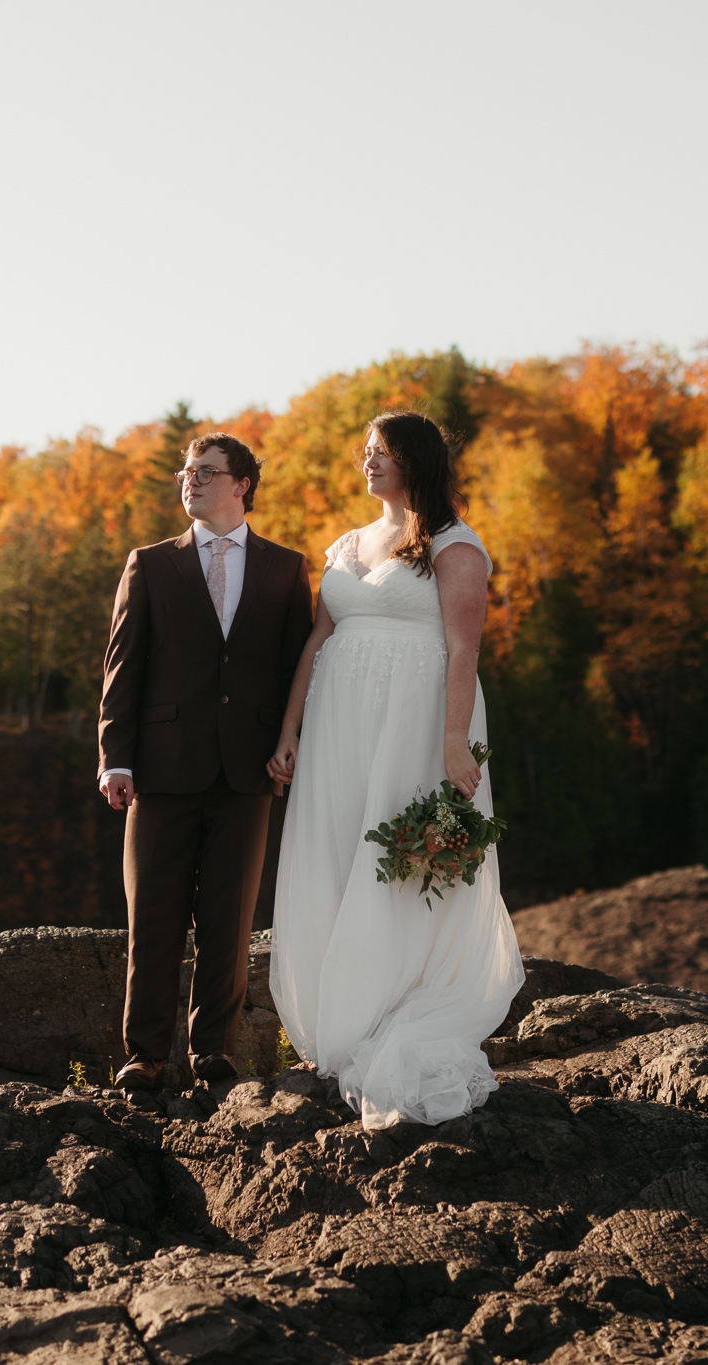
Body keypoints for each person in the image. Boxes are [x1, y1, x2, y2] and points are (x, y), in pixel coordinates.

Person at [266, 410, 525, 1129]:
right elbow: (318, 641)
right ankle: (340, 1014)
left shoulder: (455, 545)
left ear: (416, 460)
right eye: (366, 452)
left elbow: (464, 653)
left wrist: (452, 744)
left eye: (381, 453)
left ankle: (393, 1006)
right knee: (338, 855)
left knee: (401, 864)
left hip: (414, 730)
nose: (368, 463)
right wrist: (289, 730)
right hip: (337, 731)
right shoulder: (349, 543)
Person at [97, 432, 313, 1095]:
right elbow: (121, 668)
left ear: (242, 484)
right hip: (159, 770)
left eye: (206, 472)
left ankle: (212, 1052)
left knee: (230, 919)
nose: (190, 480)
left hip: (248, 772)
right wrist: (114, 757)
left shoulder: (285, 567)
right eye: (186, 471)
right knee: (153, 917)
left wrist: (291, 742)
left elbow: (293, 671)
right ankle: (144, 1055)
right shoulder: (150, 563)